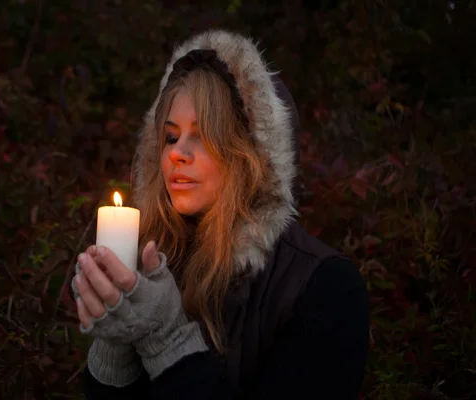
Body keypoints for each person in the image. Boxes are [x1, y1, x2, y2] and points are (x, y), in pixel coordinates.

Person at [71, 29, 370, 399]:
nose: (177, 153)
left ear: (252, 156)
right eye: (170, 136)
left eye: (203, 134)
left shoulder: (324, 286)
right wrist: (115, 344)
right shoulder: (153, 267)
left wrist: (167, 339)